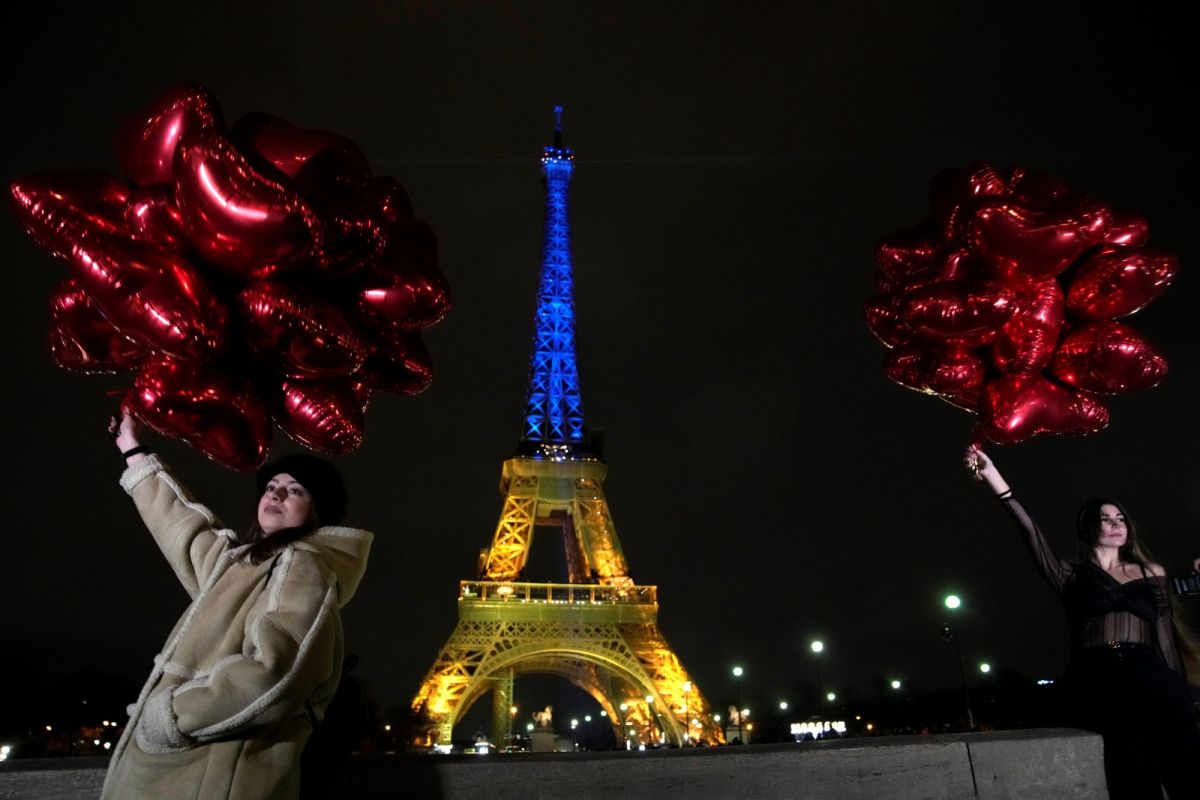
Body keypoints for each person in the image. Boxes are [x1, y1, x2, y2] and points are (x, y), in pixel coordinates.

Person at [102, 412, 373, 800]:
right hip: (200, 771)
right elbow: (180, 525)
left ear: (318, 511)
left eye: (295, 490)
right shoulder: (246, 566)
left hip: (215, 777)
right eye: (272, 487)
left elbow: (275, 671)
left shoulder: (302, 564)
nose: (276, 495)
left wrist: (171, 717)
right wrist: (133, 447)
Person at [965, 444, 1199, 800]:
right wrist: (993, 475)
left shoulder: (1152, 573)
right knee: (1132, 759)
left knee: (1183, 747)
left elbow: (1164, 637)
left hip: (1148, 668)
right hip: (1101, 673)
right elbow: (1030, 532)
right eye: (1106, 518)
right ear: (1089, 526)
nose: (1115, 524)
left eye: (1120, 518)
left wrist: (1182, 693)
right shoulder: (1069, 575)